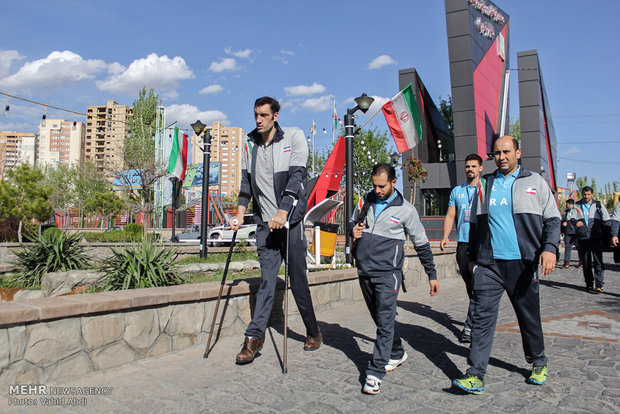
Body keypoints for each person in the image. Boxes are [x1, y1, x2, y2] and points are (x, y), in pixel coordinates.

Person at [452, 135, 560, 394]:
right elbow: (476, 224)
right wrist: (475, 260)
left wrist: (549, 249)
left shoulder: (535, 181)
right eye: (497, 152)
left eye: (506, 151)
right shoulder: (485, 184)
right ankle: (475, 374)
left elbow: (553, 219)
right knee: (481, 319)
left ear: (518, 153)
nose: (501, 157)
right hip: (489, 266)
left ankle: (538, 361)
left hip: (522, 264)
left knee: (528, 317)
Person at [230, 96, 322, 364]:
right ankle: (253, 339)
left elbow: (297, 179)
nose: (258, 120)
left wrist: (282, 213)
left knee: (298, 281)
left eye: (264, 115)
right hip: (264, 225)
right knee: (267, 280)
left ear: (275, 116)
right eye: (255, 115)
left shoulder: (294, 137)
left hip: (290, 223)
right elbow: (246, 186)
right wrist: (238, 216)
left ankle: (313, 331)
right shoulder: (250, 144)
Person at [350, 163, 439, 395]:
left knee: (385, 318)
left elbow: (421, 243)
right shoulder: (365, 201)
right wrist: (353, 230)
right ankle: (397, 351)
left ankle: (375, 371)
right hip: (364, 271)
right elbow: (352, 223)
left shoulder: (406, 210)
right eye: (374, 185)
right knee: (381, 319)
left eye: (382, 186)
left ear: (393, 182)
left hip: (388, 274)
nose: (377, 190)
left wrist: (432, 274)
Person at [440, 154, 484, 343]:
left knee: (478, 285)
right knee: (470, 284)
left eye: (474, 166)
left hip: (482, 243)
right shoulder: (457, 191)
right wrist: (445, 236)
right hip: (463, 243)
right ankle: (476, 315)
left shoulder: (487, 189)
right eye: (467, 166)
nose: (470, 169)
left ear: (480, 168)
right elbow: (451, 215)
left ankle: (470, 325)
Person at [574, 186, 611, 293]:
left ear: (592, 194)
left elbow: (607, 220)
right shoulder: (577, 205)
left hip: (596, 238)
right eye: (584, 194)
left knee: (598, 262)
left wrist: (607, 235)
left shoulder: (598, 205)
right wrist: (575, 223)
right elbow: (570, 218)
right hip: (583, 238)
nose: (586, 196)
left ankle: (599, 284)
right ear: (582, 194)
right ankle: (589, 284)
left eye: (588, 194)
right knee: (586, 263)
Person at [561, 198, 580, 268]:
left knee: (579, 247)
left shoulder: (577, 211)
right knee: (568, 248)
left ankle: (581, 261)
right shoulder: (565, 212)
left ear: (571, 204)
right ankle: (566, 262)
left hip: (576, 232)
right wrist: (562, 228)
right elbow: (562, 221)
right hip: (568, 232)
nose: (566, 206)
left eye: (567, 204)